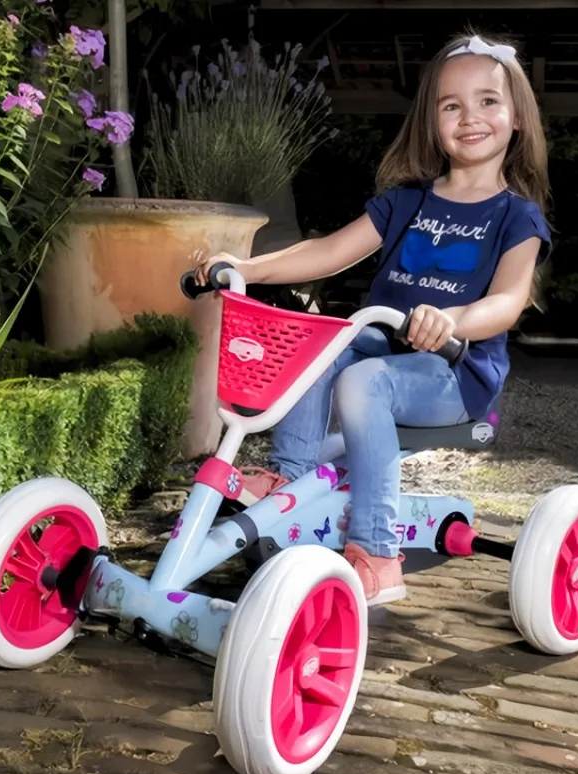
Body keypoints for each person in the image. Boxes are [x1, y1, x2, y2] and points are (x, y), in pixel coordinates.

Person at [193, 30, 552, 606]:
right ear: (432, 121)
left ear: (517, 118)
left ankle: (379, 552)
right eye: (451, 105)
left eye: (488, 101)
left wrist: (454, 320)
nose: (470, 117)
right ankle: (291, 478)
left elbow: (508, 301)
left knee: (362, 378)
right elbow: (328, 250)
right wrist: (247, 267)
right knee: (318, 342)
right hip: (384, 353)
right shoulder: (407, 202)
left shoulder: (517, 217)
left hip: (455, 374)